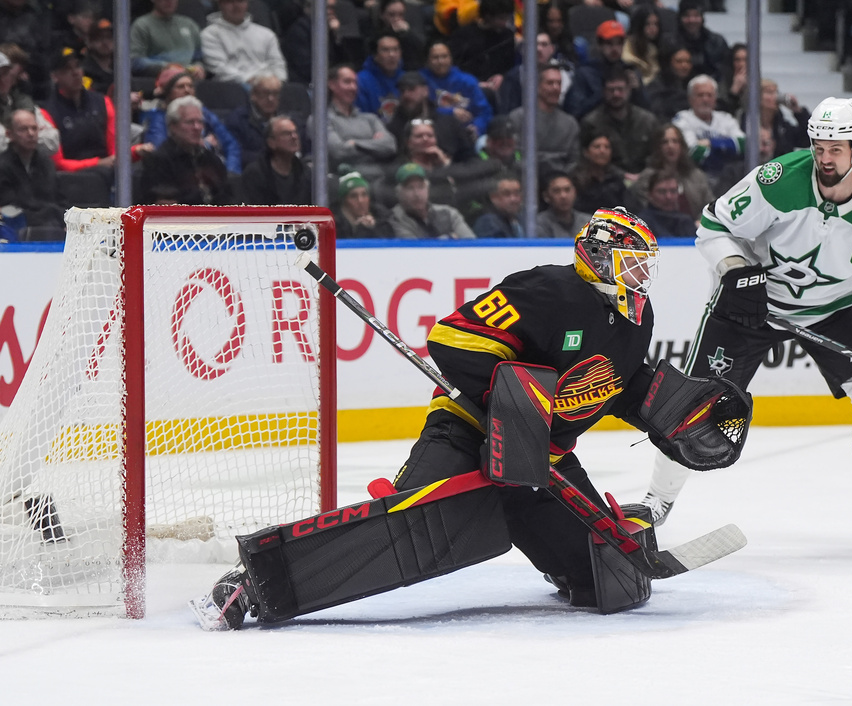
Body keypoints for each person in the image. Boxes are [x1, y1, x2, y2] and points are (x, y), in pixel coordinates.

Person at [198, 206, 749, 627]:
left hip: (543, 464)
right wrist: (518, 400)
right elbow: (452, 338)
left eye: (645, 265)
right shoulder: (551, 290)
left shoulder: (637, 317)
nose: (641, 276)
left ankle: (565, 548)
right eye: (632, 263)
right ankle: (256, 581)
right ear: (600, 255)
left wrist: (669, 408)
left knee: (610, 583)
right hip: (471, 433)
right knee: (404, 531)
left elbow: (617, 384)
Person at [639, 96, 852, 552]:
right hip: (748, 306)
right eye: (819, 147)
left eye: (836, 148)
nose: (825, 157)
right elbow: (712, 226)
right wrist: (737, 271)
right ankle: (656, 501)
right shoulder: (778, 180)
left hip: (832, 311)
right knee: (694, 401)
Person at [42, 47, 154, 173]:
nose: (75, 73)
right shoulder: (46, 112)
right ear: (55, 76)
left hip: (105, 174)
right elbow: (57, 164)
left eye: (78, 66)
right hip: (69, 180)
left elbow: (114, 152)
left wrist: (137, 151)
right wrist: (98, 163)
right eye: (67, 69)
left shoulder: (102, 102)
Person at [138, 64, 241, 174]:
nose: (187, 90)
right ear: (168, 92)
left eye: (190, 86)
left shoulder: (204, 113)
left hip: (211, 172)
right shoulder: (157, 117)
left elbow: (231, 145)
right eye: (180, 87)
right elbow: (159, 152)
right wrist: (204, 145)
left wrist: (231, 172)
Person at [138, 94, 233, 204]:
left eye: (200, 122)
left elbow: (227, 197)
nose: (197, 127)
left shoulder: (211, 159)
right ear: (173, 126)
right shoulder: (158, 160)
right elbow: (165, 204)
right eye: (190, 122)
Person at [672, 74, 746, 195]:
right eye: (700, 95)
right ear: (690, 98)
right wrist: (728, 150)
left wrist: (710, 143)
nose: (705, 99)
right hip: (696, 176)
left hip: (728, 176)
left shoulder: (725, 118)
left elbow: (744, 144)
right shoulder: (682, 119)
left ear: (715, 98)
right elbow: (694, 153)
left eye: (709, 95)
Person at [580, 66, 661, 177]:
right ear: (603, 92)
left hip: (647, 179)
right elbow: (587, 159)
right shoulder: (591, 123)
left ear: (629, 90)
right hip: (608, 179)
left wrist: (644, 176)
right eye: (611, 90)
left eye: (620, 89)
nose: (616, 94)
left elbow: (657, 154)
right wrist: (623, 175)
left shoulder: (648, 120)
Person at [322, 63, 397, 178]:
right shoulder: (322, 120)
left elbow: (390, 145)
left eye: (355, 83)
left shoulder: (370, 119)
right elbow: (338, 152)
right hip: (344, 180)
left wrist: (354, 143)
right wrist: (374, 145)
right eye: (347, 82)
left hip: (379, 178)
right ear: (332, 85)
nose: (353, 88)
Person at [564, 20, 648, 120]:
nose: (615, 49)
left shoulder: (631, 71)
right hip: (593, 128)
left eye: (619, 43)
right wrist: (604, 94)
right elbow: (574, 112)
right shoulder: (585, 73)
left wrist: (637, 91)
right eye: (609, 43)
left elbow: (647, 111)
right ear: (600, 45)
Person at [0, 109, 64, 239]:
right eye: (23, 129)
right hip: (17, 228)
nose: (31, 134)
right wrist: (49, 211)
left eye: (34, 129)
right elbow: (12, 206)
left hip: (50, 224)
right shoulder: (2, 165)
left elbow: (57, 198)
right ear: (9, 134)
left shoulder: (46, 163)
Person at [386, 71, 476, 163]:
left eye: (411, 89)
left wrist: (447, 166)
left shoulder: (450, 123)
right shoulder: (393, 129)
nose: (406, 95)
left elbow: (471, 160)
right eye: (402, 91)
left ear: (425, 91)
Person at [631, 123, 714, 221]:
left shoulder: (696, 175)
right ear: (658, 147)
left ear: (682, 145)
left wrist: (701, 222)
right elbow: (645, 211)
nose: (670, 146)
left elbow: (710, 205)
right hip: (661, 229)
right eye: (665, 142)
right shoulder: (648, 177)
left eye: (675, 141)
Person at [507, 62, 579, 174]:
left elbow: (573, 161)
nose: (556, 88)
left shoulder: (570, 123)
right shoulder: (518, 118)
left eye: (559, 83)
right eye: (550, 83)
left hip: (559, 182)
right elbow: (513, 155)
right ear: (537, 86)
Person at [200, 0, 288, 85]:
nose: (236, 6)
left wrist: (277, 82)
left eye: (240, 1)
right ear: (220, 4)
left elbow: (278, 65)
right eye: (230, 1)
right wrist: (253, 81)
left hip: (270, 87)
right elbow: (219, 70)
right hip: (231, 90)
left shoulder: (267, 34)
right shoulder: (209, 35)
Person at [420, 40, 492, 142]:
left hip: (466, 133)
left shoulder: (467, 81)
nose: (441, 61)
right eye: (435, 57)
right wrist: (450, 112)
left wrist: (477, 127)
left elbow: (484, 111)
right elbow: (420, 111)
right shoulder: (421, 80)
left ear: (451, 58)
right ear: (427, 61)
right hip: (433, 134)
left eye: (445, 56)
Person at [225, 74, 301, 168]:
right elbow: (235, 153)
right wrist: (272, 160)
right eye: (265, 93)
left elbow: (304, 150)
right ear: (253, 95)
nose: (270, 99)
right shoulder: (237, 120)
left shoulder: (289, 121)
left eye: (275, 93)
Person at [281, 0, 365, 85]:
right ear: (312, 8)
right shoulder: (299, 30)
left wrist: (337, 36)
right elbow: (306, 67)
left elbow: (347, 62)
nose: (331, 12)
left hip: (330, 80)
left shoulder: (330, 30)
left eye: (333, 8)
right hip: (307, 84)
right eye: (327, 8)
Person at [388, 161, 475, 239]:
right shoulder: (395, 220)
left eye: (421, 187)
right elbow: (415, 252)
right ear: (399, 193)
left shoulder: (448, 212)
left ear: (428, 189)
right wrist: (449, 238)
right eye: (410, 188)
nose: (417, 194)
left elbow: (472, 245)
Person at [0, 47, 60, 156]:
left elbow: (53, 140)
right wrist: (29, 139)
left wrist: (17, 138)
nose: (1, 79)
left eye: (5, 73)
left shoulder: (23, 102)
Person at [239, 116, 311, 205]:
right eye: (286, 134)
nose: (294, 137)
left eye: (295, 132)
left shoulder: (305, 172)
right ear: (271, 142)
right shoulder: (255, 174)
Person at [129, 0, 206, 79]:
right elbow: (135, 61)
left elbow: (199, 58)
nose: (169, 1)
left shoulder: (189, 25)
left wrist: (199, 67)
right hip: (157, 82)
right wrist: (166, 67)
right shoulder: (142, 25)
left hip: (189, 81)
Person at [571, 130, 638, 215]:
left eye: (607, 147)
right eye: (597, 147)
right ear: (586, 152)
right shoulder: (576, 179)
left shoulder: (616, 179)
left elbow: (630, 207)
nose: (602, 151)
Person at [742, 79, 811, 160]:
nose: (775, 96)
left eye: (776, 92)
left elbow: (806, 139)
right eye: (769, 92)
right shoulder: (745, 122)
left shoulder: (781, 127)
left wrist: (798, 111)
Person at [675, 0, 730, 82]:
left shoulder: (717, 42)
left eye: (696, 15)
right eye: (687, 16)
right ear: (680, 18)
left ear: (702, 18)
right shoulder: (670, 42)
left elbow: (722, 73)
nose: (692, 20)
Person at [356, 32, 405, 121]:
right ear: (375, 55)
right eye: (385, 50)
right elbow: (361, 118)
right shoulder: (361, 80)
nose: (392, 55)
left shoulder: (405, 78)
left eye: (395, 49)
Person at [636, 170, 697, 239]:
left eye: (673, 191)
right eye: (662, 191)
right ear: (650, 194)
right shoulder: (642, 223)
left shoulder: (686, 222)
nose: (668, 197)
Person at [332, 170, 393, 238]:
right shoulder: (334, 226)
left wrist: (373, 229)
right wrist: (359, 231)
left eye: (364, 194)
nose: (360, 200)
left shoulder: (382, 218)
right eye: (353, 196)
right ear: (344, 201)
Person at [535, 169, 591, 238]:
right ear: (546, 196)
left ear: (575, 192)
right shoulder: (539, 224)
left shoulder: (587, 222)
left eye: (567, 190)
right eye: (556, 191)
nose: (563, 196)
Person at [648, 47, 696, 122]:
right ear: (670, 63)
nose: (684, 65)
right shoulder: (658, 84)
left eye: (688, 61)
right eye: (679, 61)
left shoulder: (696, 83)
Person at [472, 171, 523, 238]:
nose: (513, 199)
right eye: (506, 194)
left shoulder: (521, 219)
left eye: (516, 193)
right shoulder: (488, 223)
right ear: (493, 197)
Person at [622, 5, 662, 86]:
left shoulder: (652, 48)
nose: (653, 28)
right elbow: (628, 59)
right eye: (648, 24)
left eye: (656, 24)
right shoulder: (627, 45)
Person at [82, 18, 115, 95]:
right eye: (99, 38)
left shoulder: (122, 67)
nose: (105, 42)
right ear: (89, 42)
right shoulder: (85, 70)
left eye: (109, 37)